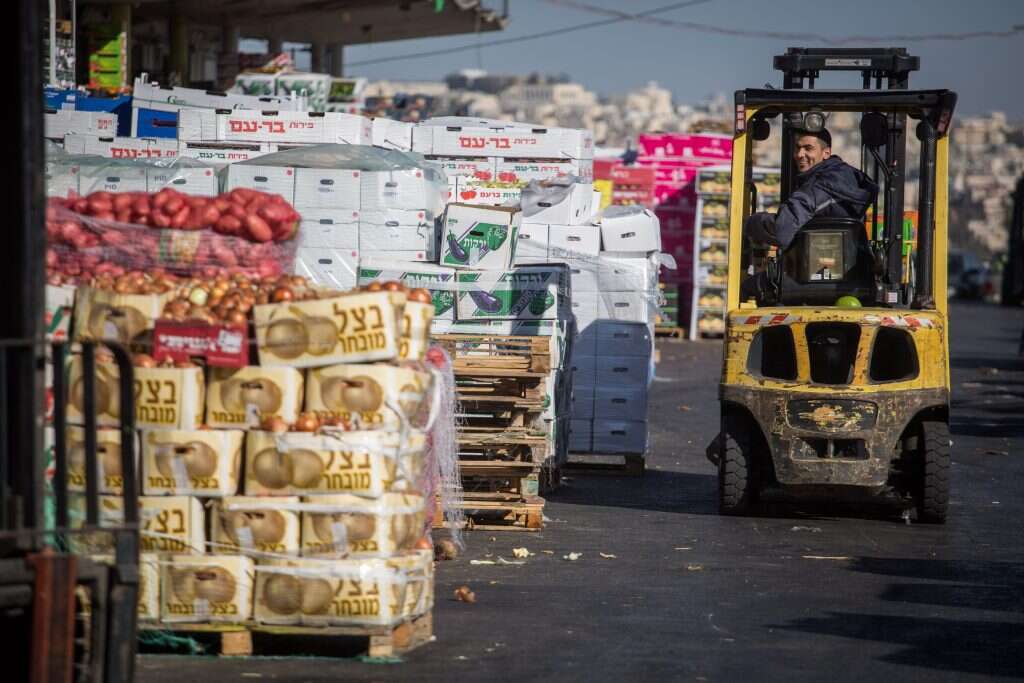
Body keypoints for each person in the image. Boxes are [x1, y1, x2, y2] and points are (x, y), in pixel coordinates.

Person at [741, 129, 878, 302]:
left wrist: (752, 223)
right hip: (851, 281)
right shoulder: (848, 181)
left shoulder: (819, 187)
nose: (800, 154)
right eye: (797, 148)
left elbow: (781, 231)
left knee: (747, 288)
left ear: (826, 152)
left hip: (805, 282)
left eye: (808, 148)